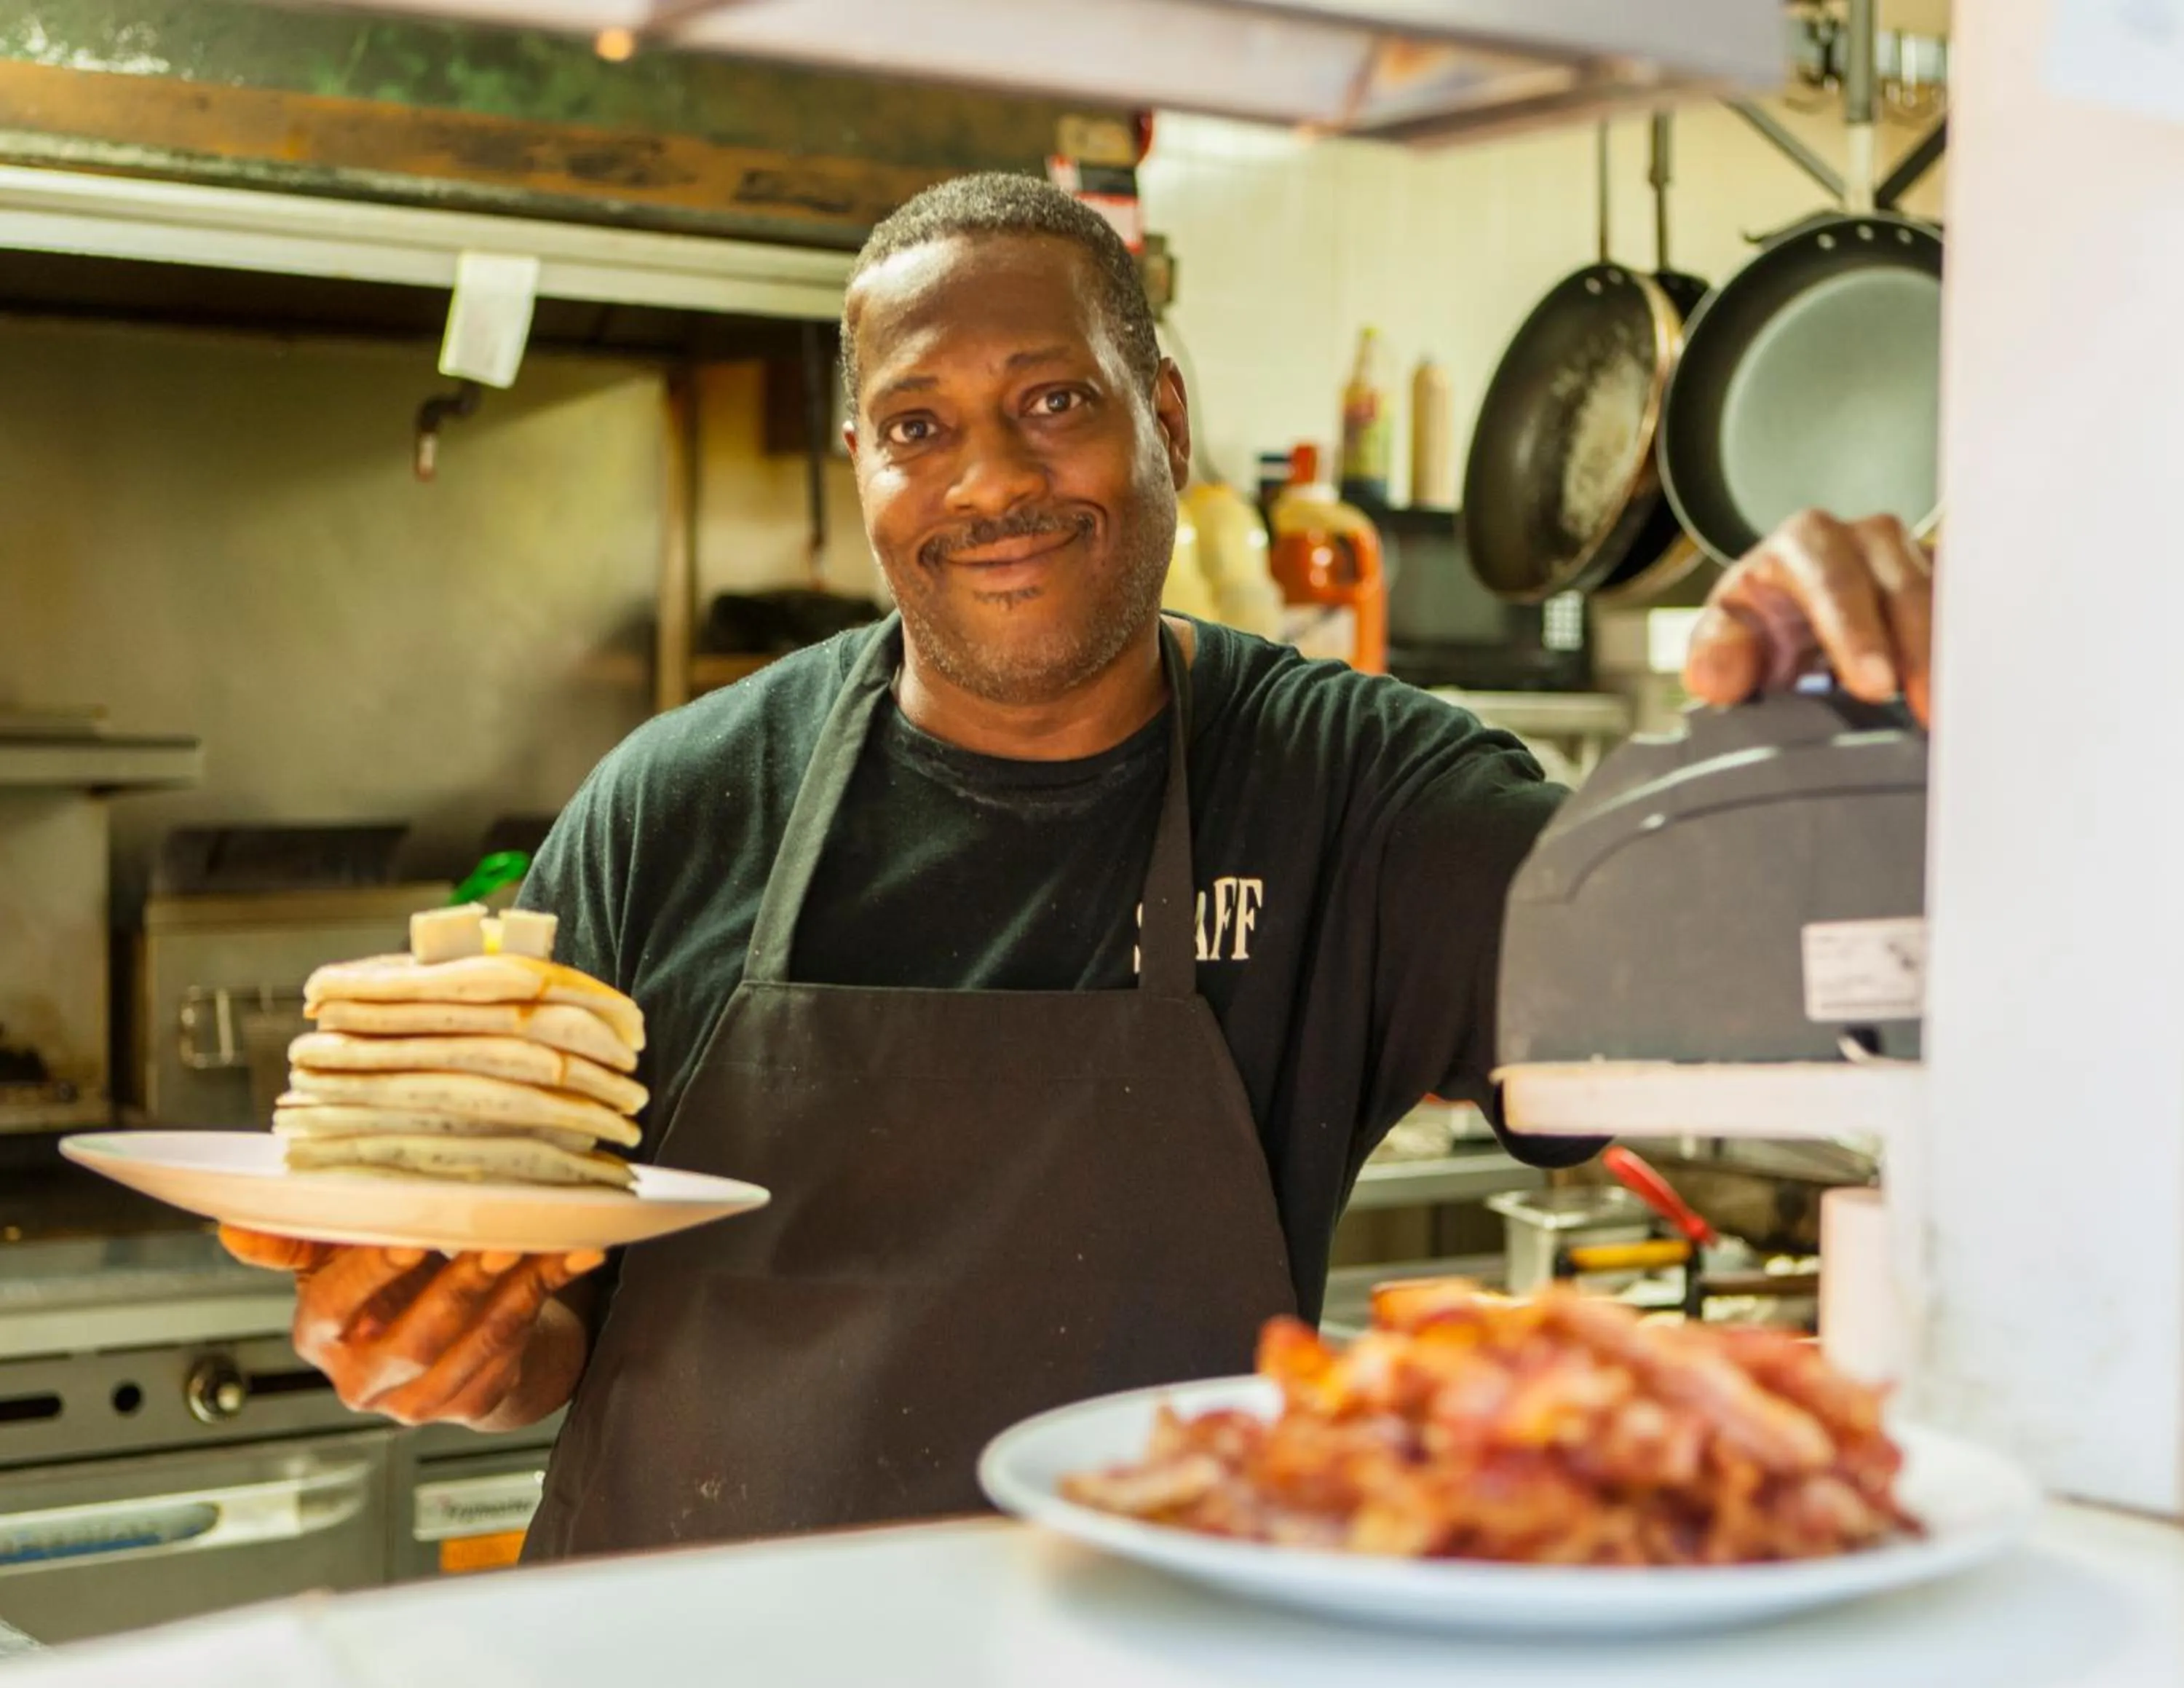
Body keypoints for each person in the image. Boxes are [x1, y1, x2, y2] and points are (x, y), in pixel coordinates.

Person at [225, 174, 1933, 1561]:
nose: (991, 481)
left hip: (1143, 1650)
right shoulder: (673, 806)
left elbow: (1750, 975)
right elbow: (544, 1326)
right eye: (916, 428)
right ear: (862, 473)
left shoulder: (1353, 794)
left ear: (1164, 417)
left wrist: (1815, 705)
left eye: (1054, 402)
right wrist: (439, 1345)